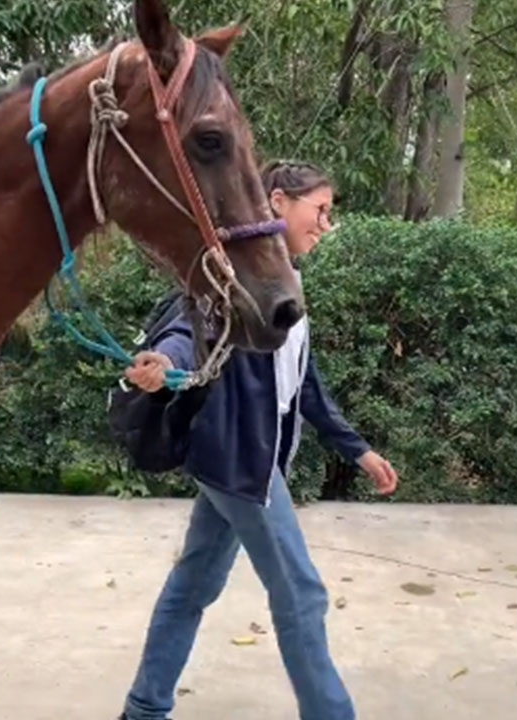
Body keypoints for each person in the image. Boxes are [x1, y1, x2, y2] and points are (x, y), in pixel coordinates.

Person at [117, 160, 398, 720]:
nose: (326, 224)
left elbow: (305, 384)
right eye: (319, 210)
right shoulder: (230, 276)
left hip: (238, 461)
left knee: (191, 588)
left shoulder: (282, 281)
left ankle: (143, 710)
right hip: (239, 464)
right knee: (302, 592)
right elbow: (187, 328)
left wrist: (358, 450)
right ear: (276, 203)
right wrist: (161, 364)